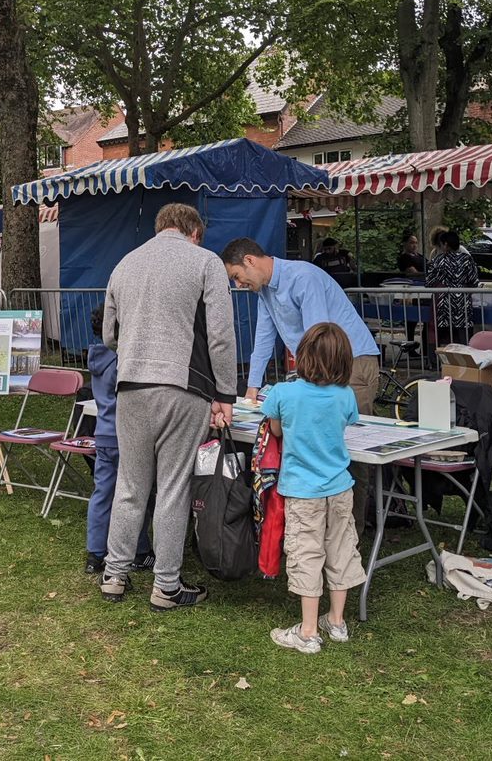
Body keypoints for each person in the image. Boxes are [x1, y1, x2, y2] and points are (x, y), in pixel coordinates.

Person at [98, 203, 237, 612]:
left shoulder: (124, 264)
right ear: (194, 231)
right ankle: (167, 586)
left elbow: (109, 333)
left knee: (130, 485)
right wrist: (225, 393)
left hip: (130, 386)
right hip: (184, 385)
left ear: (161, 228)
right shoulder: (205, 262)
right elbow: (221, 336)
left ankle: (114, 574)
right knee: (173, 489)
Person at [220, 238, 381, 526]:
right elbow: (264, 339)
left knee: (350, 448)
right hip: (323, 367)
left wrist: (305, 384)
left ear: (249, 260)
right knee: (326, 442)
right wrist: (251, 390)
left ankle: (350, 528)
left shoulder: (303, 277)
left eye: (236, 276)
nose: (238, 285)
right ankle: (326, 521)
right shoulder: (266, 292)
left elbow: (317, 333)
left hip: (352, 362)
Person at [261, 322, 366, 654]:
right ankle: (336, 621)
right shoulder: (345, 395)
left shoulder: (283, 393)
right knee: (341, 549)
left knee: (306, 552)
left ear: (302, 355)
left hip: (302, 489)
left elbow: (275, 430)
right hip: (338, 487)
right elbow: (346, 421)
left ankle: (307, 631)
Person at [85, 305, 153, 575]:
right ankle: (140, 550)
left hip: (103, 433)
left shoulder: (97, 357)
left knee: (102, 492)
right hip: (126, 433)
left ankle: (95, 552)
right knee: (136, 494)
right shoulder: (122, 359)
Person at [425, 230, 479, 346]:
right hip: (463, 304)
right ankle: (464, 360)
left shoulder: (438, 261)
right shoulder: (467, 260)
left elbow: (429, 282)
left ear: (445, 245)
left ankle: (437, 361)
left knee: (442, 336)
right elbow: (474, 282)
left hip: (442, 304)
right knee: (463, 337)